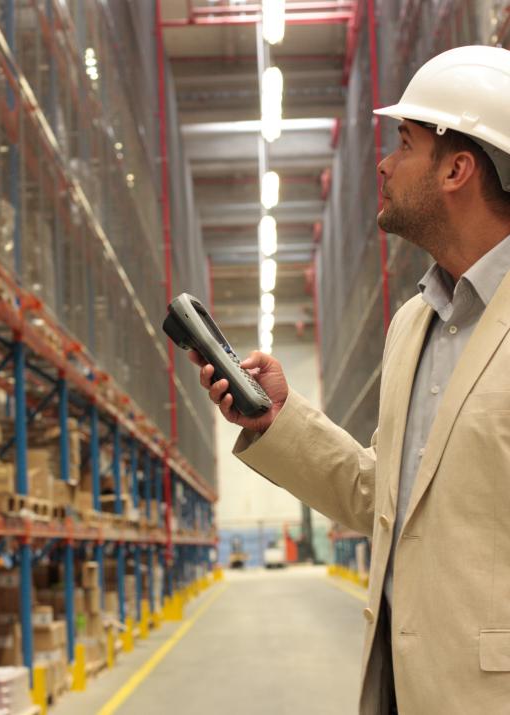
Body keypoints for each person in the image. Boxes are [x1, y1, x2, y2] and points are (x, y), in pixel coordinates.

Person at [189, 45, 510, 715]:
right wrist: (277, 420)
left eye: (405, 141)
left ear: (458, 168)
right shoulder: (412, 327)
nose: (386, 164)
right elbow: (380, 499)